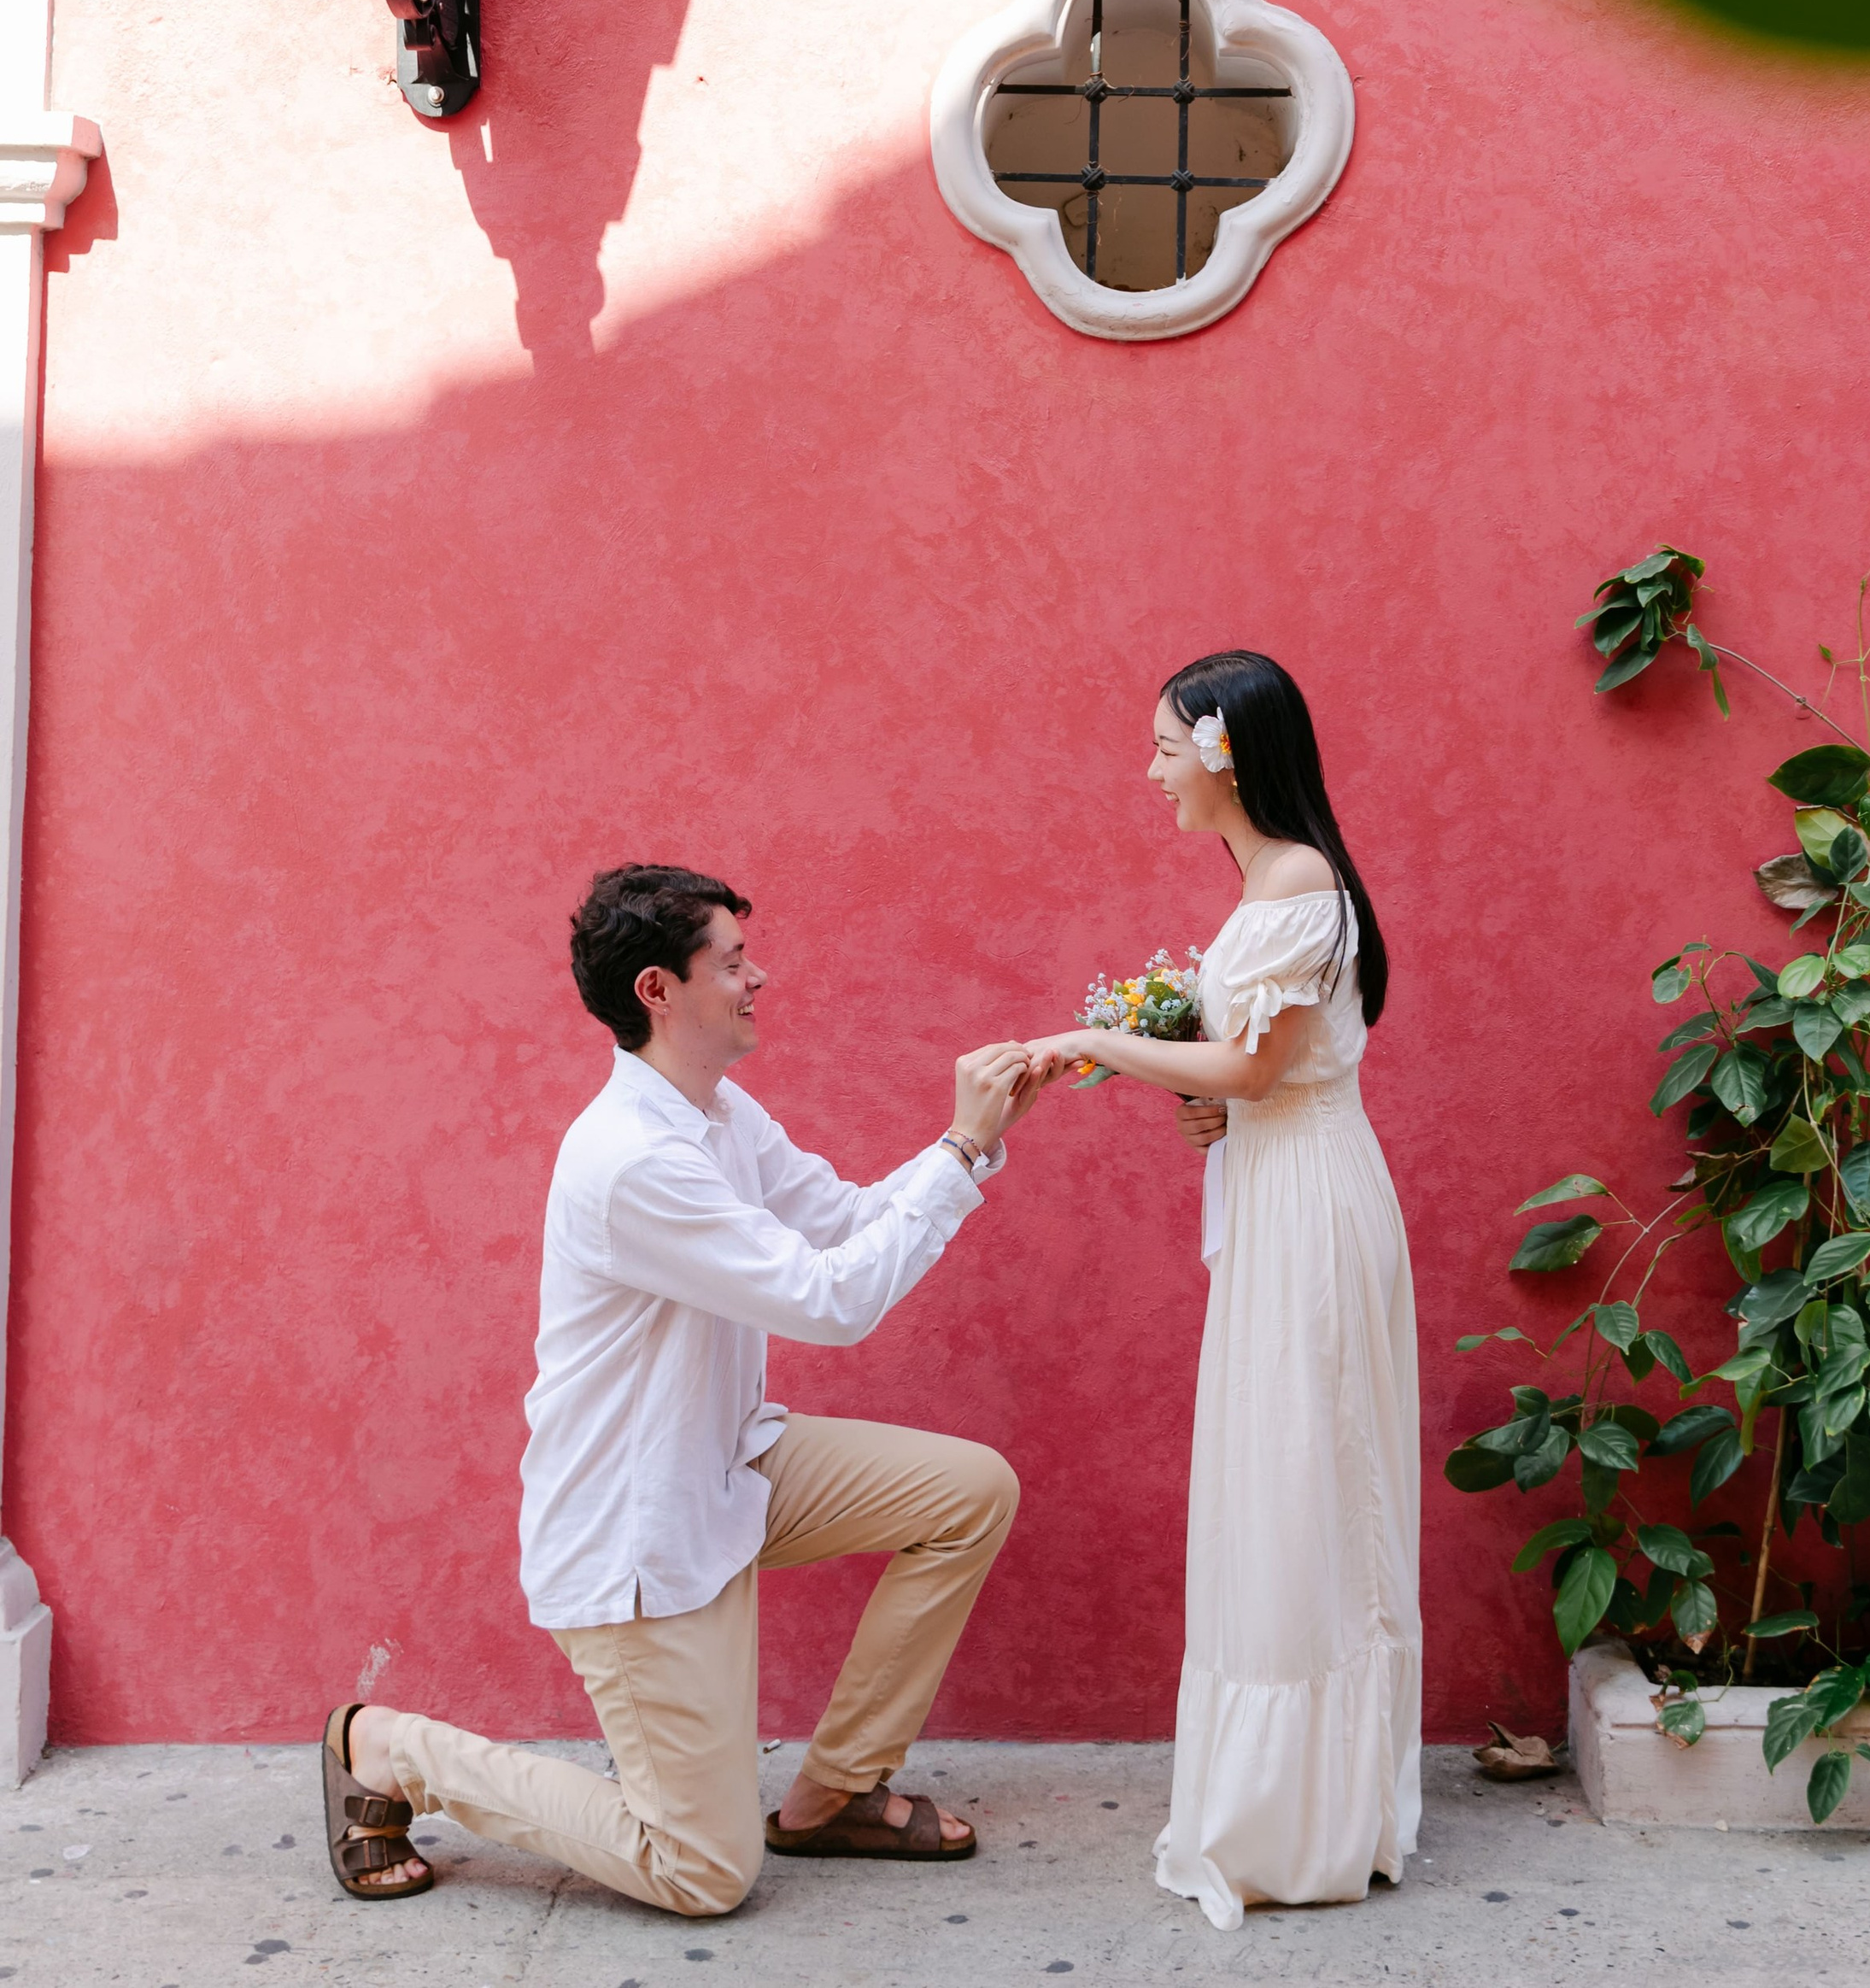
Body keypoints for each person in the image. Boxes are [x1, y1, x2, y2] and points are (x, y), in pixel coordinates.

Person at [321, 861, 1039, 1915]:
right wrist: (963, 1143)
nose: (761, 978)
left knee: (967, 1492)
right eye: (734, 962)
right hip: (639, 1534)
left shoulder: (718, 1110)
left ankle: (833, 1794)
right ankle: (387, 1749)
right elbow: (832, 1302)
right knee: (700, 1872)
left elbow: (839, 1220)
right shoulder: (632, 1161)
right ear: (658, 990)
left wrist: (967, 1145)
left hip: (725, 1465)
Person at [1026, 650, 1420, 1931]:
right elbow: (1263, 1073)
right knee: (1286, 1479)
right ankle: (1295, 1799)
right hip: (1285, 1189)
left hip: (1308, 1208)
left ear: (1224, 749)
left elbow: (1258, 1074)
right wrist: (1215, 1099)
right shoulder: (1275, 879)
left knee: (1306, 1479)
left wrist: (1098, 1045)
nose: (1148, 771)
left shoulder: (1296, 881)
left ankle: (1299, 1816)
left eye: (1161, 745)